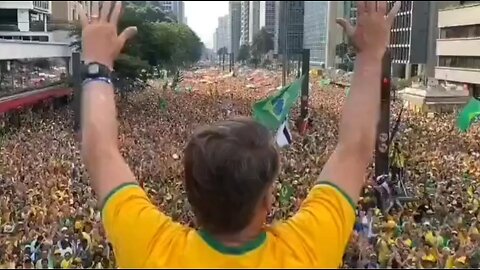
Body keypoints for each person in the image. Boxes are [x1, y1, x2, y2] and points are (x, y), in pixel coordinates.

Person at [77, 1, 400, 268]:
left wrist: (96, 64)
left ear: (191, 196)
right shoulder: (305, 252)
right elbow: (354, 149)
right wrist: (371, 56)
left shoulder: (154, 252)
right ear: (267, 202)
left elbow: (100, 150)